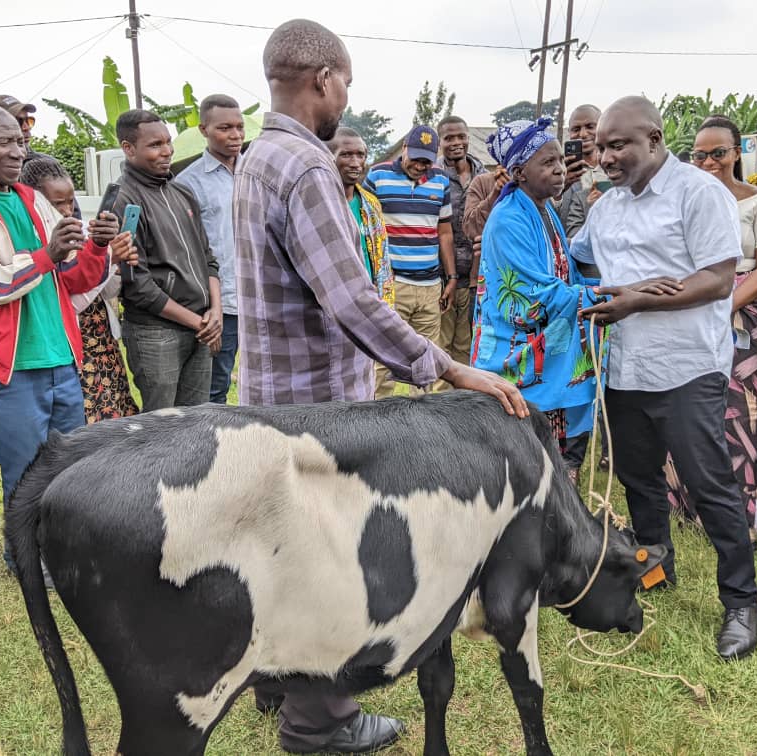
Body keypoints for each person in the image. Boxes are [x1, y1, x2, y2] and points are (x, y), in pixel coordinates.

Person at [233, 18, 527, 753]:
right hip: (318, 407)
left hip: (272, 390)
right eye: (348, 85)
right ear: (323, 80)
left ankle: (273, 681)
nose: (346, 99)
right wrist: (449, 367)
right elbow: (352, 300)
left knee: (279, 551)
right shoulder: (305, 167)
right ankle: (319, 721)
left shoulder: (255, 156)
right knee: (323, 564)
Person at [575, 96, 757, 660]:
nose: (606, 155)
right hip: (625, 368)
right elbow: (580, 259)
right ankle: (656, 573)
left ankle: (740, 602)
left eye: (618, 144)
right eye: (601, 146)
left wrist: (639, 301)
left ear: (654, 139)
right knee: (639, 482)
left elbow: (717, 278)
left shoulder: (697, 193)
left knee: (708, 486)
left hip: (686, 369)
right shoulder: (605, 207)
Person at [0, 102, 125, 571]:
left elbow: (73, 276)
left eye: (20, 140)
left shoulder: (31, 199)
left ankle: (65, 552)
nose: (18, 151)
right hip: (8, 366)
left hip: (60, 357)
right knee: (23, 473)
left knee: (68, 469)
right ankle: (27, 561)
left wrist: (96, 246)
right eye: (5, 142)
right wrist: (44, 256)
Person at [664, 116, 757, 544]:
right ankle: (687, 505)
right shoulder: (683, 202)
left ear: (737, 153)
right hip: (690, 310)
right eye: (700, 155)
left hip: (743, 315)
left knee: (740, 412)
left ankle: (743, 513)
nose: (709, 162)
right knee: (689, 408)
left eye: (718, 153)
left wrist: (722, 308)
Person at [472, 118, 602, 475]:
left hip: (549, 344)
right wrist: (603, 297)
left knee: (552, 460)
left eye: (560, 160)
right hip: (517, 348)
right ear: (519, 172)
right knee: (524, 460)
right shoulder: (509, 218)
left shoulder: (544, 209)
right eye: (547, 163)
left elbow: (565, 271)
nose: (560, 169)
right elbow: (533, 293)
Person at [114, 109, 221, 411]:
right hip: (155, 333)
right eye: (155, 145)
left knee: (194, 424)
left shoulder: (182, 193)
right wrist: (199, 321)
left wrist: (216, 311)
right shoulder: (124, 200)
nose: (166, 151)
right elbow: (137, 284)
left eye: (168, 142)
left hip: (200, 326)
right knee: (160, 429)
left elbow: (208, 258)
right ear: (128, 148)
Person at [21, 157, 139, 422]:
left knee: (117, 422)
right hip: (75, 351)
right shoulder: (37, 243)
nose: (66, 210)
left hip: (103, 346)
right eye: (57, 203)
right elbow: (69, 301)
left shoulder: (81, 234)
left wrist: (114, 265)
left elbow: (107, 293)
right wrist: (110, 260)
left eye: (70, 201)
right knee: (85, 431)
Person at [364, 124, 457, 398]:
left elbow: (444, 231)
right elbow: (366, 224)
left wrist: (451, 278)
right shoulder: (378, 176)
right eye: (415, 158)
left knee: (427, 359)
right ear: (404, 148)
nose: (420, 165)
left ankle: (423, 428)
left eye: (426, 160)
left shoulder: (440, 181)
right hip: (393, 285)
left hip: (430, 286)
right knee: (383, 358)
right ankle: (376, 424)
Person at [176, 94, 244, 404]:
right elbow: (188, 249)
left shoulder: (254, 174)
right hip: (221, 304)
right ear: (204, 130)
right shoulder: (188, 183)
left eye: (240, 128)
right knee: (215, 387)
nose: (235, 136)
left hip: (260, 299)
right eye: (225, 128)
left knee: (261, 382)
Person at [435, 115, 486, 372]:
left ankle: (460, 406)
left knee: (466, 344)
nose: (456, 142)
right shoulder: (433, 176)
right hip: (443, 276)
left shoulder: (485, 176)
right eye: (449, 138)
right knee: (440, 344)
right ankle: (438, 404)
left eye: (461, 136)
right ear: (439, 142)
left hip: (476, 275)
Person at [326, 126, 394, 305]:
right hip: (334, 303)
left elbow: (382, 261)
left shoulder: (371, 204)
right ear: (328, 157)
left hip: (370, 300)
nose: (355, 162)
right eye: (346, 154)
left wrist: (386, 306)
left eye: (360, 155)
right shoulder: (322, 203)